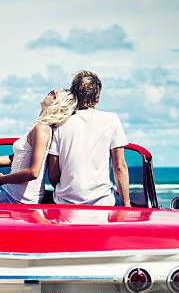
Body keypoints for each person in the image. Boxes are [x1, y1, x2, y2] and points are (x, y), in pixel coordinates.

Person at [48, 70, 131, 207]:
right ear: (97, 95)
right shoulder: (111, 120)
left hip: (65, 204)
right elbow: (119, 167)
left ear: (74, 94)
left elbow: (53, 174)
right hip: (102, 203)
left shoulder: (60, 123)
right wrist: (127, 204)